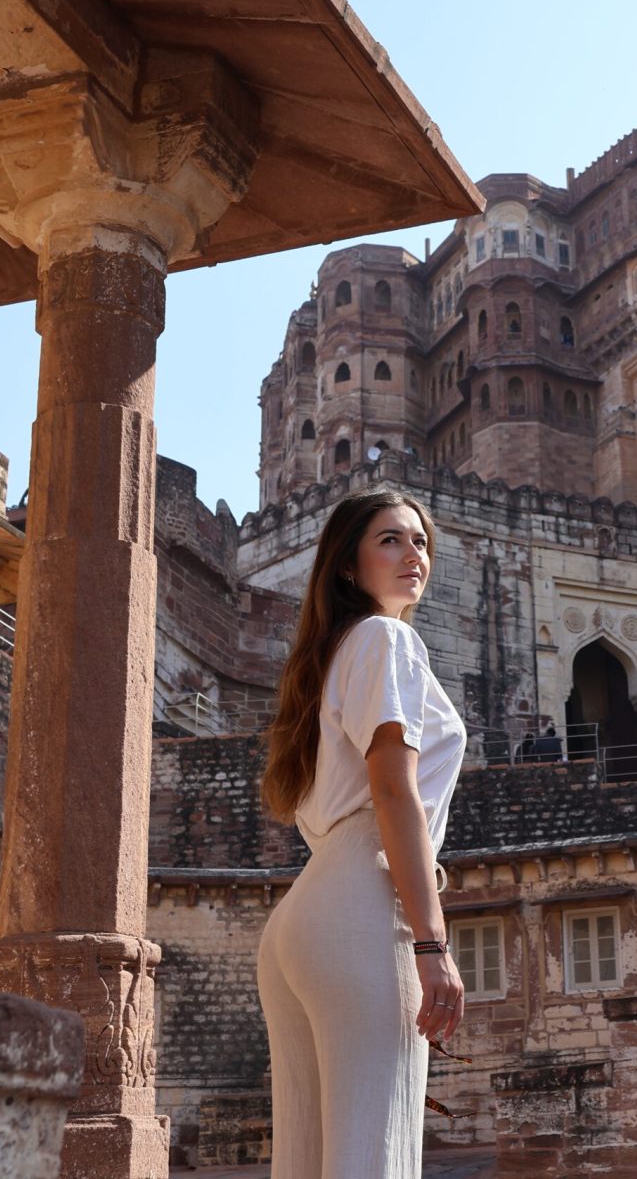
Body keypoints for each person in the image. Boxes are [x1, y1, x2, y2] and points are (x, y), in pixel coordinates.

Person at [256, 485, 467, 1178]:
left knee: (310, 1163)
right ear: (347, 566)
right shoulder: (385, 639)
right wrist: (431, 941)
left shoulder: (334, 656)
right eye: (391, 539)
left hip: (304, 917)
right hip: (360, 905)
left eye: (421, 541)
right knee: (372, 1157)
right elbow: (392, 790)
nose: (414, 554)